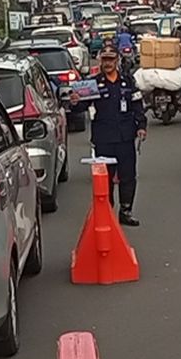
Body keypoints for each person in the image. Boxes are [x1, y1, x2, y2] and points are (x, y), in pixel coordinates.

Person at [71, 46, 147, 226]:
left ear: (117, 60)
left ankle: (126, 211)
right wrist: (75, 102)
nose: (108, 63)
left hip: (126, 137)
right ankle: (107, 212)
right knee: (105, 179)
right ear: (100, 61)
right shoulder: (93, 83)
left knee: (128, 176)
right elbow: (80, 106)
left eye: (111, 59)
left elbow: (137, 105)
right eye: (104, 60)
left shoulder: (128, 82)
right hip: (103, 138)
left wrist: (141, 126)